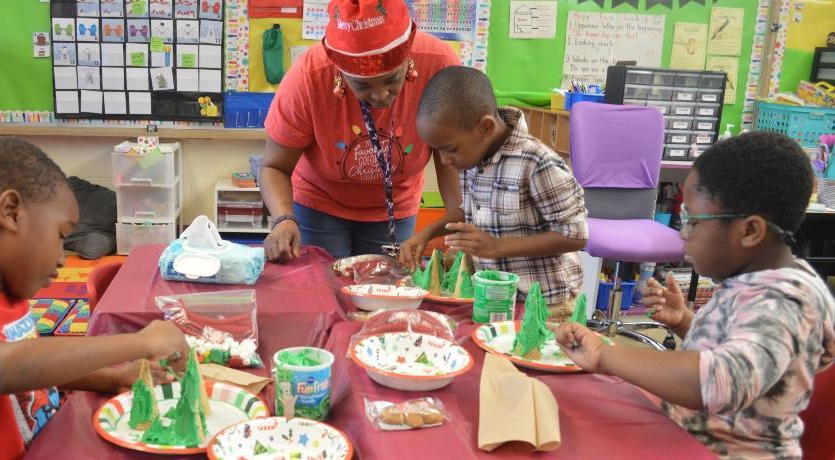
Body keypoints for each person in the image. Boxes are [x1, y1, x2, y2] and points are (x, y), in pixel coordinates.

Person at [0, 138, 189, 459]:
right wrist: (140, 342)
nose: (63, 257)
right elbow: (5, 371)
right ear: (10, 212)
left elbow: (34, 377)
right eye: (60, 235)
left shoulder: (4, 291)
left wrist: (114, 376)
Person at [556, 132, 835, 458]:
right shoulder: (755, 282)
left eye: (691, 221)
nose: (682, 235)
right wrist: (687, 322)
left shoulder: (786, 300)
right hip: (686, 439)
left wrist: (605, 354)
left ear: (749, 231)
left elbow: (722, 381)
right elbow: (751, 353)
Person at [261, 0, 462, 262]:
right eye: (362, 85)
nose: (380, 95)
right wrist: (283, 218)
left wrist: (459, 227)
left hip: (394, 207)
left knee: (386, 291)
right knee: (322, 292)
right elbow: (274, 167)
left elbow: (451, 156)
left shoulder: (439, 65)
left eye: (392, 79)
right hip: (319, 204)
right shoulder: (309, 77)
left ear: (408, 60)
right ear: (340, 74)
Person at [400, 66, 587, 316]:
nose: (444, 160)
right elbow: (469, 210)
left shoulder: (538, 164)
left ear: (485, 127)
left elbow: (576, 235)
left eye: (451, 149)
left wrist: (497, 246)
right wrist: (427, 233)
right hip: (494, 299)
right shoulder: (473, 156)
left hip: (546, 305)